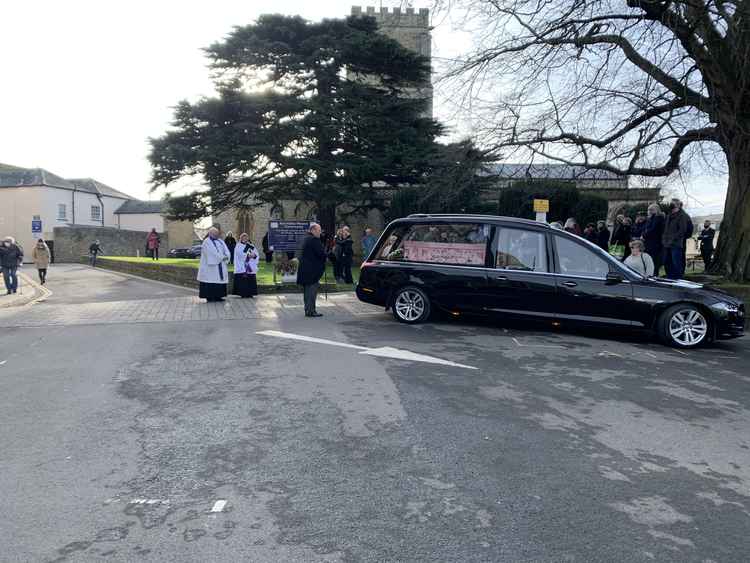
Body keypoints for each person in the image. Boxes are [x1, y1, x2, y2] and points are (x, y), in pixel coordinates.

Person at [297, 223, 326, 317]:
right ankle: (311, 311)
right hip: (312, 271)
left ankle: (308, 310)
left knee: (307, 291)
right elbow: (321, 253)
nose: (320, 232)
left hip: (305, 269)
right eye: (318, 230)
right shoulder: (313, 240)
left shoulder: (305, 238)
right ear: (312, 230)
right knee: (311, 291)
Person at [197, 227, 231, 302]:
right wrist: (222, 257)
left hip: (221, 264)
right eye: (214, 233)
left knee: (219, 280)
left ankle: (219, 296)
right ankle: (210, 297)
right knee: (211, 280)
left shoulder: (221, 241)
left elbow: (226, 250)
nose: (216, 234)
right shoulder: (207, 242)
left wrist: (227, 256)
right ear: (210, 233)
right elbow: (212, 253)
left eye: (217, 233)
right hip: (210, 267)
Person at [662, 198, 692, 279]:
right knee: (667, 262)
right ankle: (670, 278)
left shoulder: (682, 216)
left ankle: (678, 279)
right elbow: (665, 229)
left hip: (676, 244)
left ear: (678, 205)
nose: (671, 205)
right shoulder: (669, 215)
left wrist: (673, 238)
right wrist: (664, 239)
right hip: (666, 243)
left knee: (677, 263)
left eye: (673, 204)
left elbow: (682, 230)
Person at [232, 233, 259, 298]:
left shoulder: (251, 245)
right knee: (243, 281)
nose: (245, 239)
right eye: (243, 238)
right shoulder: (238, 246)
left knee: (250, 280)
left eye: (246, 238)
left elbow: (256, 254)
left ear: (248, 238)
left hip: (250, 266)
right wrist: (248, 255)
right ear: (240, 238)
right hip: (242, 266)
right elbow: (240, 254)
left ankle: (250, 293)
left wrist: (254, 255)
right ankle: (243, 293)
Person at [643, 204, 665, 275]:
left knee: (654, 262)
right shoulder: (651, 219)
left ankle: (654, 276)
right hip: (649, 244)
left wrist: (644, 235)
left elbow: (652, 230)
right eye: (648, 210)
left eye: (650, 210)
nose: (648, 211)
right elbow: (646, 229)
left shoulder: (658, 218)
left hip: (655, 244)